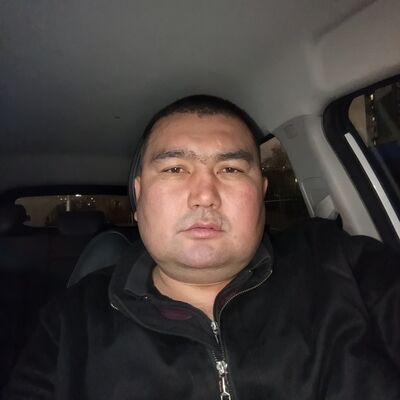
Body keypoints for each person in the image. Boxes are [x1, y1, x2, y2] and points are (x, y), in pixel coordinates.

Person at [4, 95, 400, 399]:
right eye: (175, 169)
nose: (205, 195)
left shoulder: (343, 264)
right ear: (139, 198)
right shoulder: (69, 325)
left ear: (261, 192)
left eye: (230, 168)